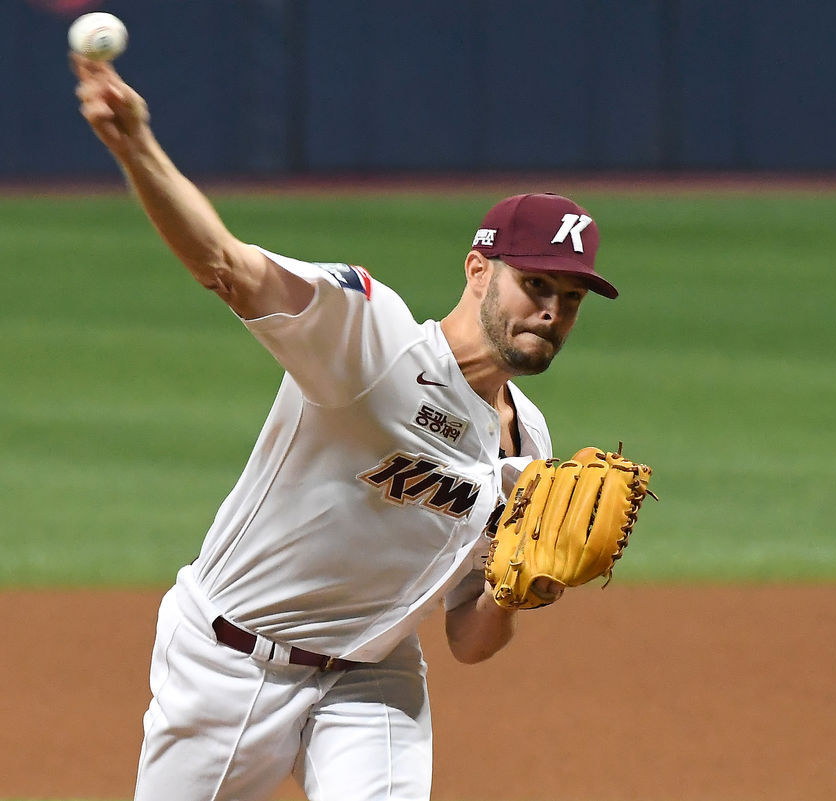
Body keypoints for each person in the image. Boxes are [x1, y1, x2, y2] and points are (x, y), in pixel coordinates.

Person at [72, 53, 619, 801]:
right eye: (537, 284)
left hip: (373, 678)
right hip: (230, 661)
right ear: (479, 269)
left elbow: (469, 638)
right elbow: (225, 264)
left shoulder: (532, 446)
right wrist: (135, 144)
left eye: (572, 297)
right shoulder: (372, 335)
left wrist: (520, 592)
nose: (553, 311)